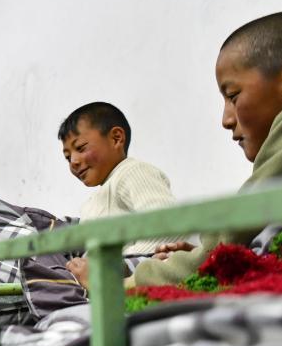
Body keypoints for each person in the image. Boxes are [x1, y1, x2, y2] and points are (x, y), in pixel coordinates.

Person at [124, 10, 282, 288]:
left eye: (233, 96)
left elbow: (233, 228)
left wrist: (132, 282)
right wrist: (207, 254)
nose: (226, 120)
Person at [58, 102, 188, 284]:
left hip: (127, 281)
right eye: (67, 157)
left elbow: (168, 222)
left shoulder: (132, 171)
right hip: (102, 286)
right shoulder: (93, 202)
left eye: (80, 148)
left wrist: (124, 267)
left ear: (116, 138)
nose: (73, 161)